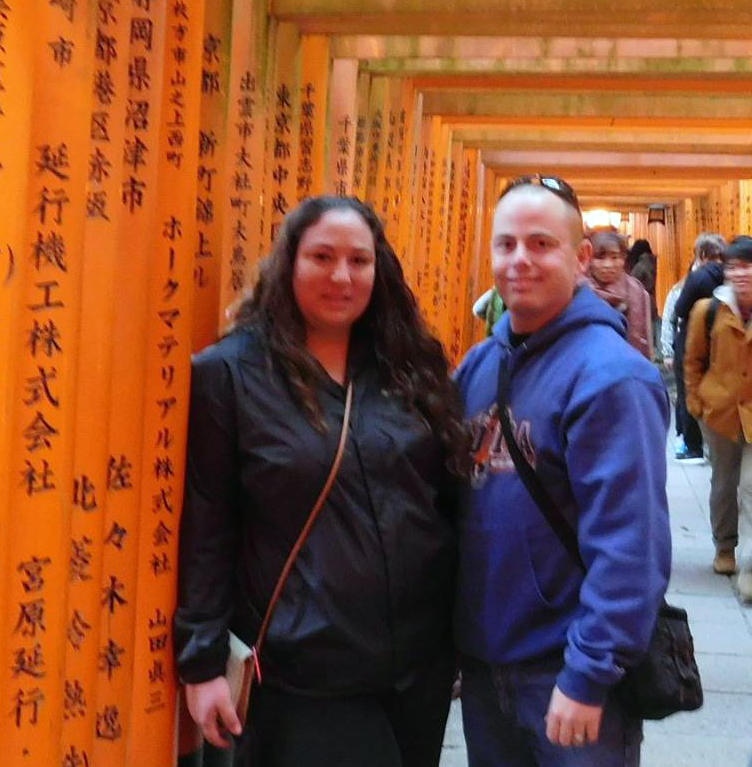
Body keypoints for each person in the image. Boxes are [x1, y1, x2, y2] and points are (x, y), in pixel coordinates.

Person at [175, 196, 468, 767]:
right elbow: (208, 525)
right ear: (289, 263)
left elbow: (446, 500)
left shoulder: (408, 367)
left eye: (359, 260)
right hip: (304, 675)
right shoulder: (231, 374)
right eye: (322, 257)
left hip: (418, 669)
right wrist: (201, 663)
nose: (341, 276)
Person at [454, 176, 671, 767]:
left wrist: (589, 672)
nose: (519, 260)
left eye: (541, 244)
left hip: (565, 670)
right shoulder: (480, 365)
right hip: (486, 668)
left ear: (579, 258)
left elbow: (631, 543)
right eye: (506, 244)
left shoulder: (612, 377)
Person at [682, 235, 752, 596]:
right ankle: (725, 546)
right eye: (734, 267)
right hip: (720, 412)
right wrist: (696, 403)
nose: (741, 274)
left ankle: (750, 567)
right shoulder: (708, 310)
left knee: (751, 487)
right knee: (725, 483)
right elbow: (692, 360)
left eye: (748, 266)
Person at [672, 234, 735, 459]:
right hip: (723, 342)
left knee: (689, 388)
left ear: (701, 254)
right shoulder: (731, 276)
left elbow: (680, 309)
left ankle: (693, 444)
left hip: (694, 340)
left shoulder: (698, 277)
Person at [584, 231, 652, 356]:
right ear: (588, 258)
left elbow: (645, 339)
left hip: (628, 362)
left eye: (615, 257)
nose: (608, 265)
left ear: (623, 258)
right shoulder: (577, 291)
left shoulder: (636, 291)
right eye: (600, 258)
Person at [625, 238, 659, 332]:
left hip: (641, 306)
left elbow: (631, 284)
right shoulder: (651, 262)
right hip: (651, 304)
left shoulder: (641, 266)